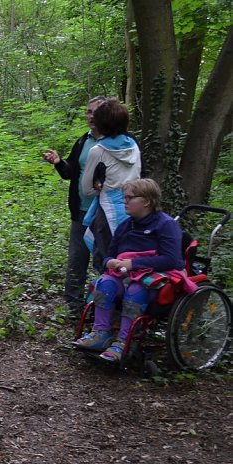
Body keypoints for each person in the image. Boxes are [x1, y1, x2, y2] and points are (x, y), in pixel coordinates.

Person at [74, 179, 192, 362]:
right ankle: (100, 333)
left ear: (146, 201)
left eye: (130, 198)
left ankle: (123, 342)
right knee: (105, 283)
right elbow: (108, 255)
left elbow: (172, 260)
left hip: (157, 281)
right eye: (124, 197)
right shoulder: (125, 225)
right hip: (124, 275)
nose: (125, 201)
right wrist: (110, 261)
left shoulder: (166, 225)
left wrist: (134, 264)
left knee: (136, 289)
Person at [43, 96, 106, 315]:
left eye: (95, 112)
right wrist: (59, 162)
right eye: (88, 112)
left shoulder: (120, 142)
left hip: (106, 211)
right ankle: (73, 305)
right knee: (77, 258)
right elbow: (71, 172)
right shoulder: (83, 141)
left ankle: (103, 306)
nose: (90, 116)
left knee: (103, 258)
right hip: (81, 209)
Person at [80, 98, 142, 274]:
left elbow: (87, 189)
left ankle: (106, 299)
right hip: (135, 209)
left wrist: (101, 186)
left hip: (107, 213)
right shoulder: (134, 146)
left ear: (100, 124)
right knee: (129, 261)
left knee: (108, 263)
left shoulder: (98, 150)